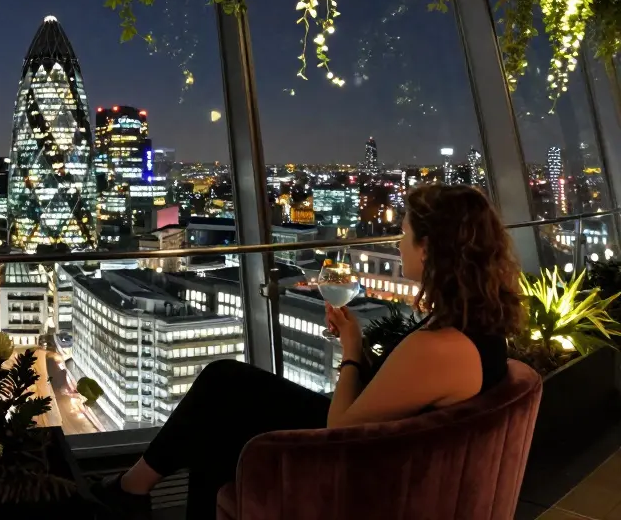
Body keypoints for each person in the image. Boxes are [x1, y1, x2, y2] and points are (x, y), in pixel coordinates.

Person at [95, 184, 525, 518]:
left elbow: (340, 429)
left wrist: (353, 352)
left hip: (359, 466)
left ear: (430, 248)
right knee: (225, 393)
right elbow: (407, 398)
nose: (398, 244)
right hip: (390, 450)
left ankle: (130, 490)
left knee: (222, 392)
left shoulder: (439, 345)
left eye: (405, 234)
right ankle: (133, 489)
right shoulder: (478, 327)